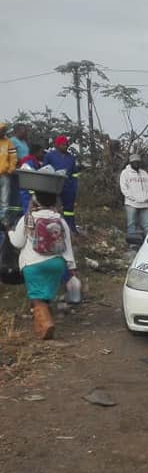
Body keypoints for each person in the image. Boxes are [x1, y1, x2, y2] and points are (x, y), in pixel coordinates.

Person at [8, 189, 76, 339]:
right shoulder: (60, 219)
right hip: (56, 264)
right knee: (45, 295)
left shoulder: (28, 218)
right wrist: (71, 267)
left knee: (36, 297)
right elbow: (67, 245)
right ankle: (41, 324)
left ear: (35, 200)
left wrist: (9, 233)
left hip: (33, 264)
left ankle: (46, 325)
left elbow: (18, 243)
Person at [42, 135, 79, 233]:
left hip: (68, 187)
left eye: (66, 144)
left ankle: (70, 228)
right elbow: (45, 170)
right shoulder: (50, 156)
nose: (65, 146)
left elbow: (74, 173)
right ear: (57, 145)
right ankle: (52, 229)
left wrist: (74, 187)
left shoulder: (71, 158)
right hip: (53, 187)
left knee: (69, 210)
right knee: (52, 208)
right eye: (63, 145)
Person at [119, 153, 148, 239]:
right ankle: (132, 244)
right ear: (131, 163)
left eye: (138, 162)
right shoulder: (125, 173)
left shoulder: (144, 173)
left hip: (144, 203)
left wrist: (147, 197)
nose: (136, 164)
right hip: (131, 204)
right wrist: (134, 198)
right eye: (134, 162)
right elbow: (124, 189)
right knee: (131, 224)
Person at [9, 144, 45, 221]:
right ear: (36, 152)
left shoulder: (34, 162)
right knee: (27, 213)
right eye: (41, 152)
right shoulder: (29, 163)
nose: (42, 154)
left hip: (28, 194)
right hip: (26, 194)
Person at [0, 123, 17, 225]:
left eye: (4, 130)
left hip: (5, 175)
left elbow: (13, 157)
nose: (3, 132)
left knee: (4, 200)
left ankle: (3, 222)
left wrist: (11, 169)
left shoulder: (8, 142)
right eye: (2, 130)